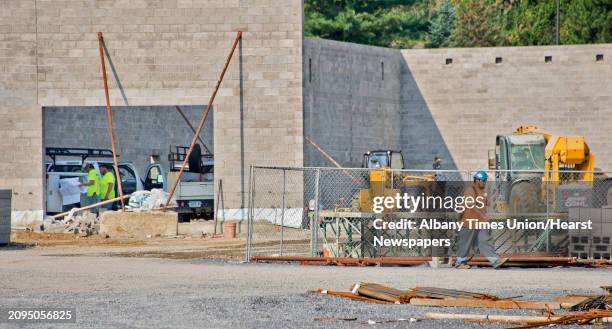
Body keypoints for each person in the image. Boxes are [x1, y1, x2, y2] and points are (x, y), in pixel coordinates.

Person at [455, 171, 507, 269]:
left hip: (479, 223)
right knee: (466, 243)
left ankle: (495, 261)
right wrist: (483, 216)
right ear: (477, 180)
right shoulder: (470, 190)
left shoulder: (482, 191)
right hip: (468, 222)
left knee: (484, 241)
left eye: (485, 180)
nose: (485, 182)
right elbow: (471, 205)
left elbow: (485, 204)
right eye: (483, 180)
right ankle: (460, 262)